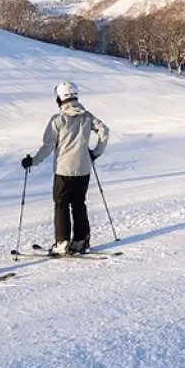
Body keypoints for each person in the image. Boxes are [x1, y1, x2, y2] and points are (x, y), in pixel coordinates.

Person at [22, 81, 109, 255]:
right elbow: (104, 130)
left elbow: (48, 146)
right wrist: (95, 152)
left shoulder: (58, 120)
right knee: (79, 203)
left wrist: (33, 161)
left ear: (60, 98)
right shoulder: (87, 116)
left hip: (64, 170)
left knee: (61, 204)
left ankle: (61, 242)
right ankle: (81, 240)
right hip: (83, 168)